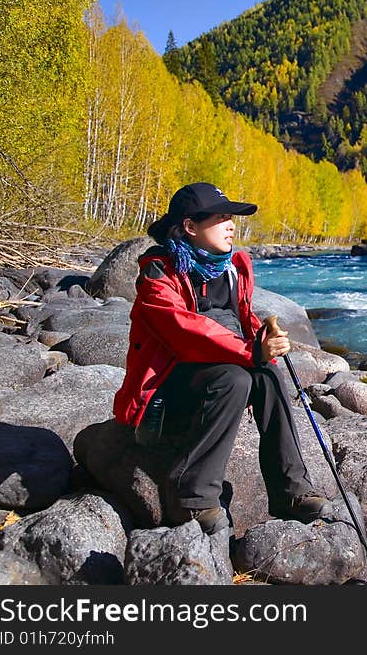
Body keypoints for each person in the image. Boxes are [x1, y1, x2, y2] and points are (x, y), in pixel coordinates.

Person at [113, 181, 331, 535]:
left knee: (268, 375)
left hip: (208, 386)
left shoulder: (233, 268)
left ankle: (290, 492)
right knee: (238, 377)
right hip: (163, 403)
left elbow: (237, 326)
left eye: (232, 218)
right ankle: (192, 498)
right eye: (222, 218)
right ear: (190, 226)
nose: (232, 225)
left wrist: (263, 340)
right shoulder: (159, 274)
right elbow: (183, 331)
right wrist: (249, 351)